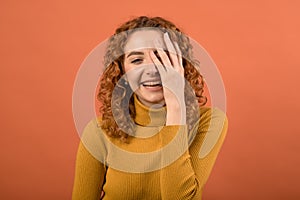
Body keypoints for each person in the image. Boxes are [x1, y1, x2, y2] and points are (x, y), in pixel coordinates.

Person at [72, 16, 228, 200]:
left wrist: (175, 105)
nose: (152, 69)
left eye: (162, 57)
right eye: (137, 60)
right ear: (122, 71)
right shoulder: (99, 131)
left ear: (180, 64)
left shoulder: (209, 122)